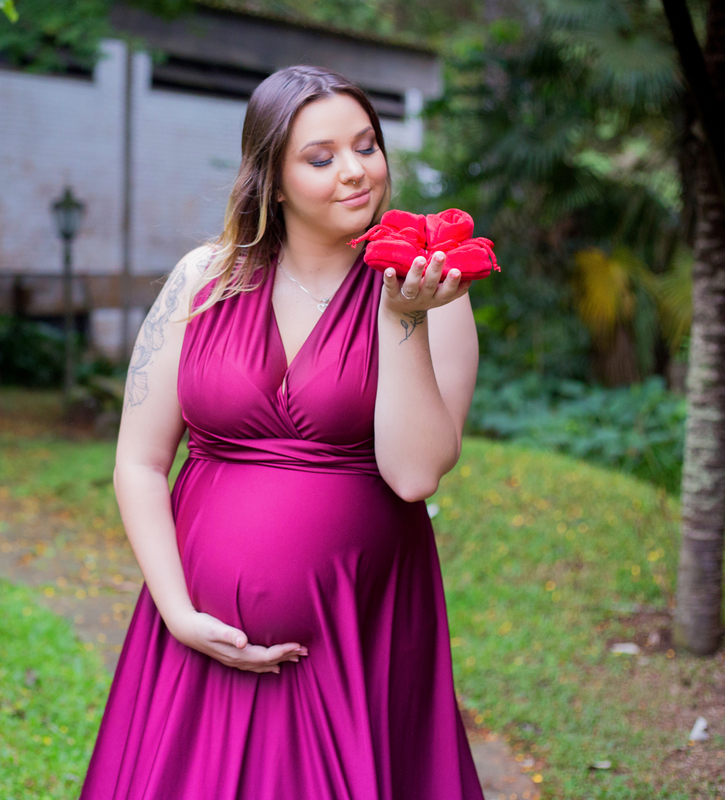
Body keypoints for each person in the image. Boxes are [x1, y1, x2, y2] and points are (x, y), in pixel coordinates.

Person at [80, 65, 484, 799]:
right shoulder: (205, 279)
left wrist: (401, 318)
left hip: (356, 627)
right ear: (271, 177)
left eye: (367, 146)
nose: (356, 172)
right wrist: (178, 612)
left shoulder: (433, 291)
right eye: (321, 157)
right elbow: (139, 461)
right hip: (195, 633)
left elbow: (414, 474)